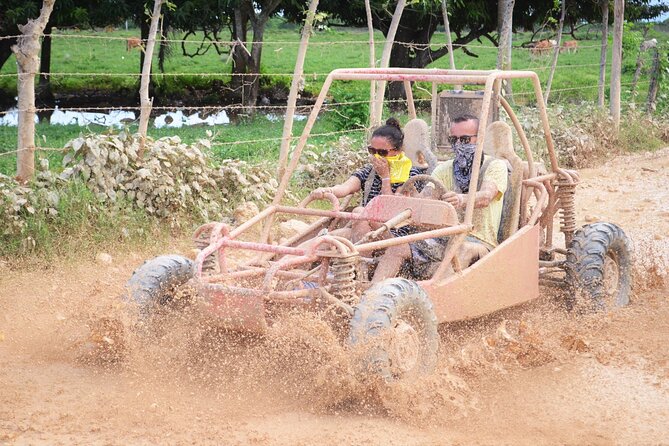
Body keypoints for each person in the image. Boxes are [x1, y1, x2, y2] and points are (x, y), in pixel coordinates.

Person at [372, 114, 508, 282]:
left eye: (465, 140)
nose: (458, 145)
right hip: (442, 238)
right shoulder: (444, 169)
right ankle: (370, 297)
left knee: (460, 248)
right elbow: (426, 198)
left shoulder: (494, 165)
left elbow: (486, 196)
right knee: (397, 246)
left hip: (478, 241)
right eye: (453, 139)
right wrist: (413, 197)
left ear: (479, 139)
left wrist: (461, 199)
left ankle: (437, 301)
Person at [307, 117, 425, 241]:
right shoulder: (369, 171)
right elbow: (345, 188)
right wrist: (327, 190)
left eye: (382, 152)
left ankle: (363, 258)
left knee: (358, 212)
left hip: (392, 232)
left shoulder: (410, 174)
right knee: (323, 240)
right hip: (363, 227)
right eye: (372, 150)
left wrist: (385, 177)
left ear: (397, 151)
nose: (376, 156)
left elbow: (390, 208)